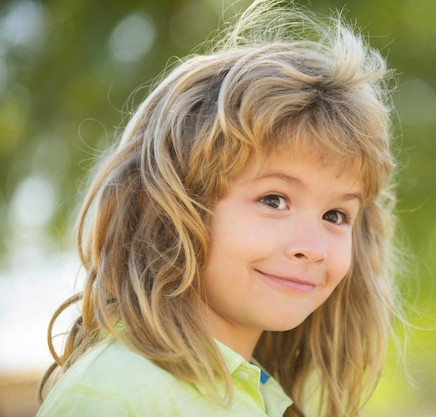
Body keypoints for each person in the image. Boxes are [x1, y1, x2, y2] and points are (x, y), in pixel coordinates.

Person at [37, 0, 403, 416]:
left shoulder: (262, 400)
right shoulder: (119, 395)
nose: (313, 247)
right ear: (164, 212)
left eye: (335, 215)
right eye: (273, 200)